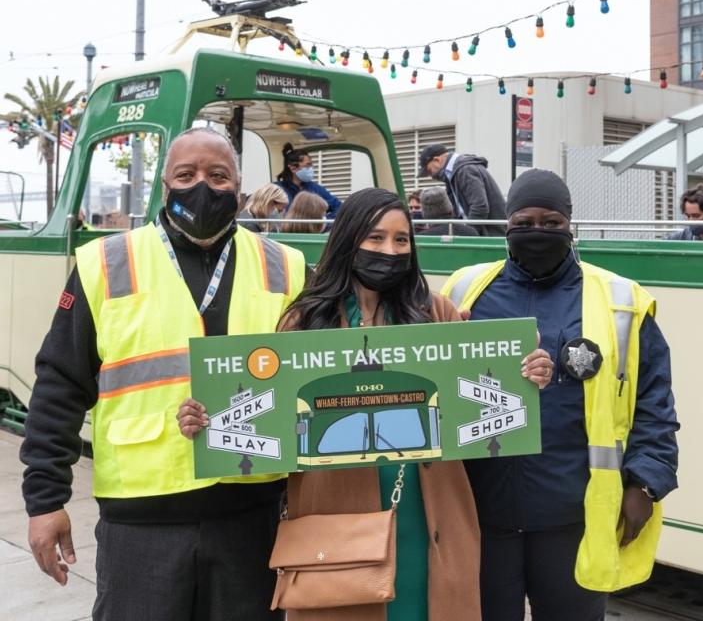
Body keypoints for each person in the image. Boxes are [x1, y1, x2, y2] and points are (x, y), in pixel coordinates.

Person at [178, 188, 554, 621]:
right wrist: (207, 421)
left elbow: (485, 399)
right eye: (375, 239)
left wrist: (527, 375)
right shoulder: (304, 321)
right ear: (347, 240)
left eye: (401, 240)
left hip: (430, 517)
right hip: (336, 525)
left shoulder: (438, 314)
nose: (389, 251)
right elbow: (269, 422)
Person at [20, 127, 306, 621]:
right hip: (140, 525)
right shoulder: (106, 263)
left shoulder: (287, 267)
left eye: (218, 176)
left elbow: (314, 380)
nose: (203, 186)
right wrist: (45, 500)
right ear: (165, 187)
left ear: (238, 190)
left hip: (251, 522)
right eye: (186, 174)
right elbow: (59, 385)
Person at [441, 168, 679, 621]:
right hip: (481, 512)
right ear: (506, 224)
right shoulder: (464, 290)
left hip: (573, 513)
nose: (538, 232)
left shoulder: (620, 300)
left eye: (551, 223)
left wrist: (647, 482)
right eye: (524, 221)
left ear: (570, 226)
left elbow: (655, 402)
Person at [417, 144, 506, 236]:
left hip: (490, 235)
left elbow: (480, 207)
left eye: (429, 171)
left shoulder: (464, 170)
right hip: (488, 233)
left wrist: (467, 235)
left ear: (437, 160)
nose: (431, 176)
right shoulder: (457, 171)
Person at [275, 142, 341, 218]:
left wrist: (323, 223)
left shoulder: (316, 189)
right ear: (293, 167)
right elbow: (264, 210)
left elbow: (339, 208)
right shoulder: (276, 189)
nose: (311, 169)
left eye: (311, 165)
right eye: (307, 165)